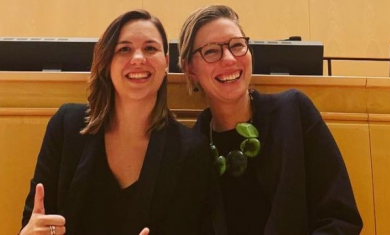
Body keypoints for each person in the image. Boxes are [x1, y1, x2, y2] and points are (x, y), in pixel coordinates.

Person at [19, 9, 217, 235]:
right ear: (107, 62)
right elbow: (33, 222)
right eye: (124, 49)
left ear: (165, 63)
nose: (138, 58)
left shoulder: (192, 150)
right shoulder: (66, 126)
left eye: (150, 48)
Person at [178, 5, 363, 235]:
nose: (229, 59)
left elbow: (341, 217)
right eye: (211, 51)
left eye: (237, 45)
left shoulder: (294, 112)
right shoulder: (191, 149)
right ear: (191, 70)